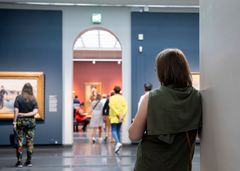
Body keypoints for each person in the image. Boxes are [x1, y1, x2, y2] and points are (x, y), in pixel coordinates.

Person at [128, 48, 202, 171]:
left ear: (162, 71)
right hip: (181, 165)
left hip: (150, 165)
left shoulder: (150, 98)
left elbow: (134, 135)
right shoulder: (197, 97)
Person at [13, 83, 38, 168]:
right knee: (30, 142)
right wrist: (26, 114)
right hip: (31, 122)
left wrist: (14, 122)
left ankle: (19, 162)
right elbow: (35, 112)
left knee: (19, 142)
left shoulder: (18, 98)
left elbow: (16, 111)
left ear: (23, 89)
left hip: (20, 122)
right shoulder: (34, 99)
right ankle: (29, 161)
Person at [109, 86, 128, 153]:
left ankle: (117, 143)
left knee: (113, 130)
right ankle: (118, 144)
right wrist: (122, 115)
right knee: (118, 130)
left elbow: (112, 106)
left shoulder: (111, 98)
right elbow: (126, 107)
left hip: (114, 116)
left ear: (114, 91)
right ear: (120, 91)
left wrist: (118, 114)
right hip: (121, 117)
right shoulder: (122, 98)